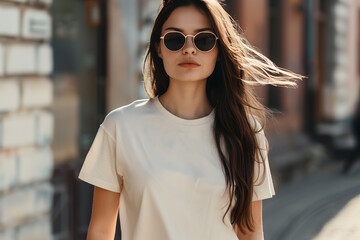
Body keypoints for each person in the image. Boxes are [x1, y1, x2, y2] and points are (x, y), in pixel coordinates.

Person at [78, 0, 303, 239]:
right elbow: (101, 230)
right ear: (159, 48)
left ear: (218, 51)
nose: (189, 49)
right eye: (175, 39)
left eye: (203, 40)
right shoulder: (121, 127)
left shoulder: (245, 132)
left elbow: (251, 232)